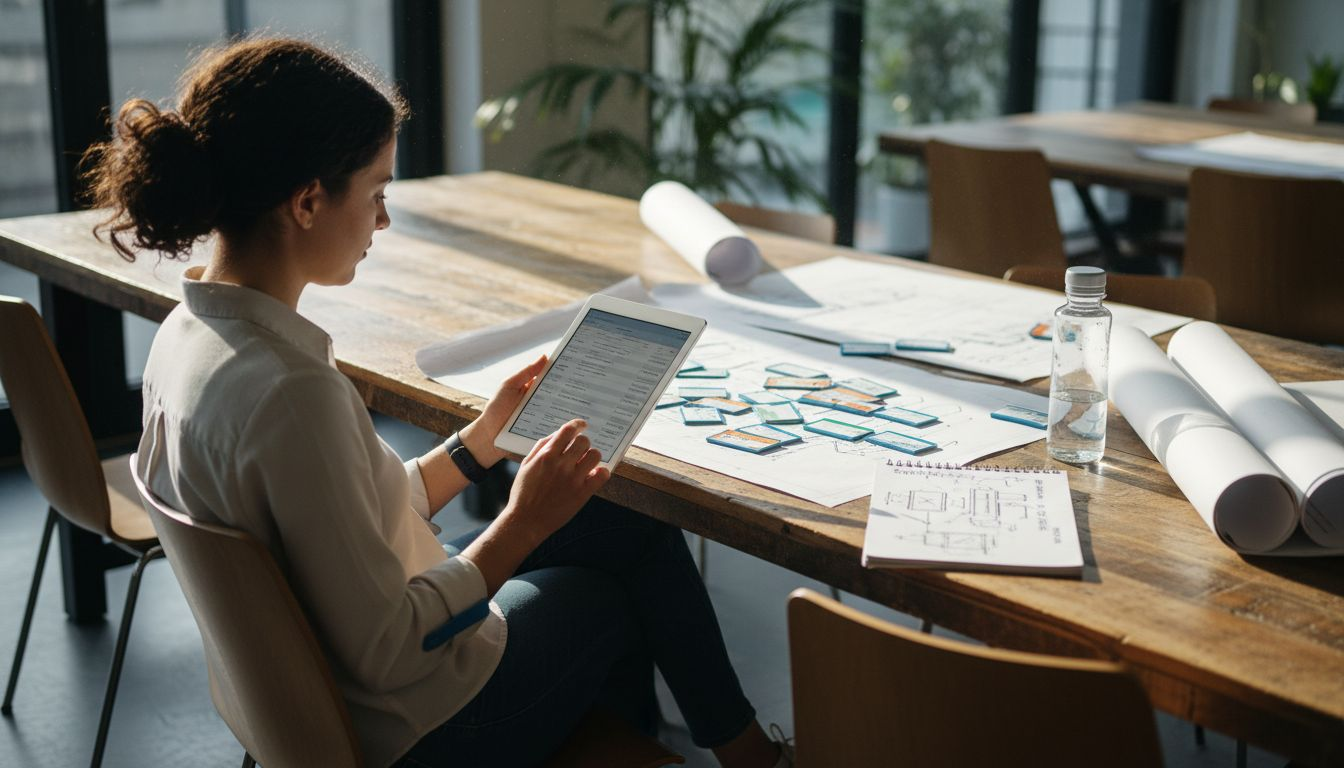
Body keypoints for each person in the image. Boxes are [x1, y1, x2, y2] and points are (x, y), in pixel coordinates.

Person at [87, 37, 786, 768]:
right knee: (605, 595)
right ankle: (740, 758)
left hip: (302, 700)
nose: (383, 222)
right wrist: (519, 524)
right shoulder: (291, 394)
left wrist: (480, 442)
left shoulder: (191, 332)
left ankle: (736, 757)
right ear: (306, 201)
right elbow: (392, 650)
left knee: (613, 520)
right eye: (377, 194)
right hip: (414, 727)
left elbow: (361, 515)